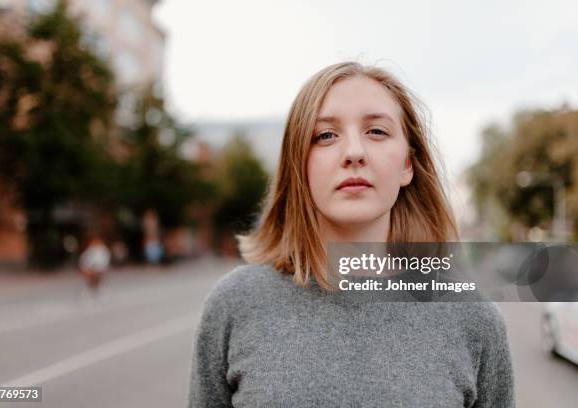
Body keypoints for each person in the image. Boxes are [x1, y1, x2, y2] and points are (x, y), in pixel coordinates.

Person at [187, 62, 515, 407]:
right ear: (300, 164)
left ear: (407, 165)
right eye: (326, 135)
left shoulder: (473, 316)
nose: (354, 152)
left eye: (376, 131)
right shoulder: (235, 303)